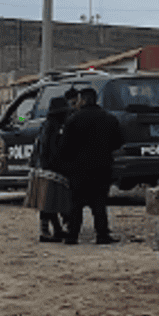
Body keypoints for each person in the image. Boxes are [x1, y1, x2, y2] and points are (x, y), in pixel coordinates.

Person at [59, 86, 125, 244]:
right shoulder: (109, 119)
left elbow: (64, 147)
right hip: (102, 168)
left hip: (78, 169)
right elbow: (119, 142)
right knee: (100, 203)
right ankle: (102, 235)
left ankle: (72, 235)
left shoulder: (73, 120)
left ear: (82, 100)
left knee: (76, 204)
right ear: (96, 100)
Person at [24, 95, 72, 243]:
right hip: (48, 169)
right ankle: (46, 232)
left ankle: (53, 230)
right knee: (48, 203)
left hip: (43, 167)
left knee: (48, 203)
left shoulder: (48, 125)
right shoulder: (53, 127)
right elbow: (50, 149)